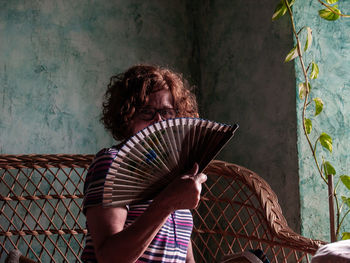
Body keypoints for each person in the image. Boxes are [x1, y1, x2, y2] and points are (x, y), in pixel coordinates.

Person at [81, 64, 208, 263]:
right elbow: (109, 258)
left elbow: (185, 258)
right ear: (127, 116)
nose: (158, 120)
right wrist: (167, 204)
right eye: (147, 111)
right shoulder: (112, 163)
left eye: (167, 112)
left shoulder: (176, 174)